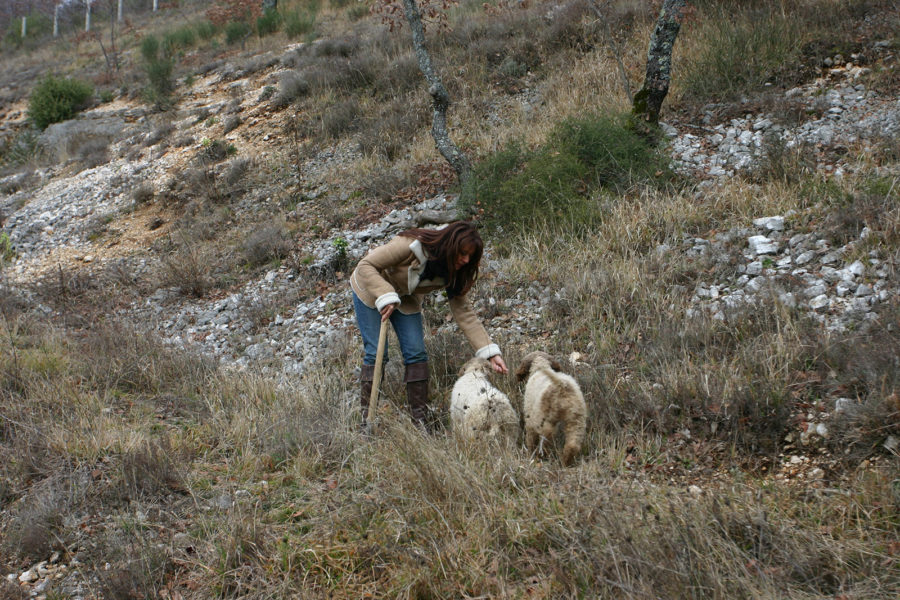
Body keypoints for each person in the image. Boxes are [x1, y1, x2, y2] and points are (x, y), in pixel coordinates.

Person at [350, 221, 509, 430]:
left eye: (470, 256)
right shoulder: (410, 245)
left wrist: (490, 352)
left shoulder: (456, 271)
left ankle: (420, 423)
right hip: (372, 288)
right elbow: (365, 266)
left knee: (416, 353)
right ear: (450, 246)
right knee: (377, 353)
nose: (465, 259)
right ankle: (367, 421)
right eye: (462, 253)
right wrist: (385, 294)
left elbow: (464, 314)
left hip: (406, 297)